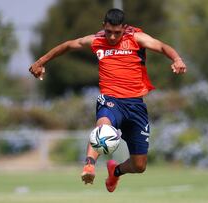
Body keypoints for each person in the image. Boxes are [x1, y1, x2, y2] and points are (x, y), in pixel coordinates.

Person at [29, 8, 187, 192]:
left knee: (139, 166)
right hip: (111, 99)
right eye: (109, 32)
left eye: (117, 33)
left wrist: (177, 59)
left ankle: (116, 171)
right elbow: (68, 45)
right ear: (104, 26)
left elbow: (161, 46)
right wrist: (41, 61)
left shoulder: (136, 38)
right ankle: (89, 165)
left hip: (136, 105)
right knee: (103, 126)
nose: (112, 37)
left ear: (124, 28)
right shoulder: (96, 40)